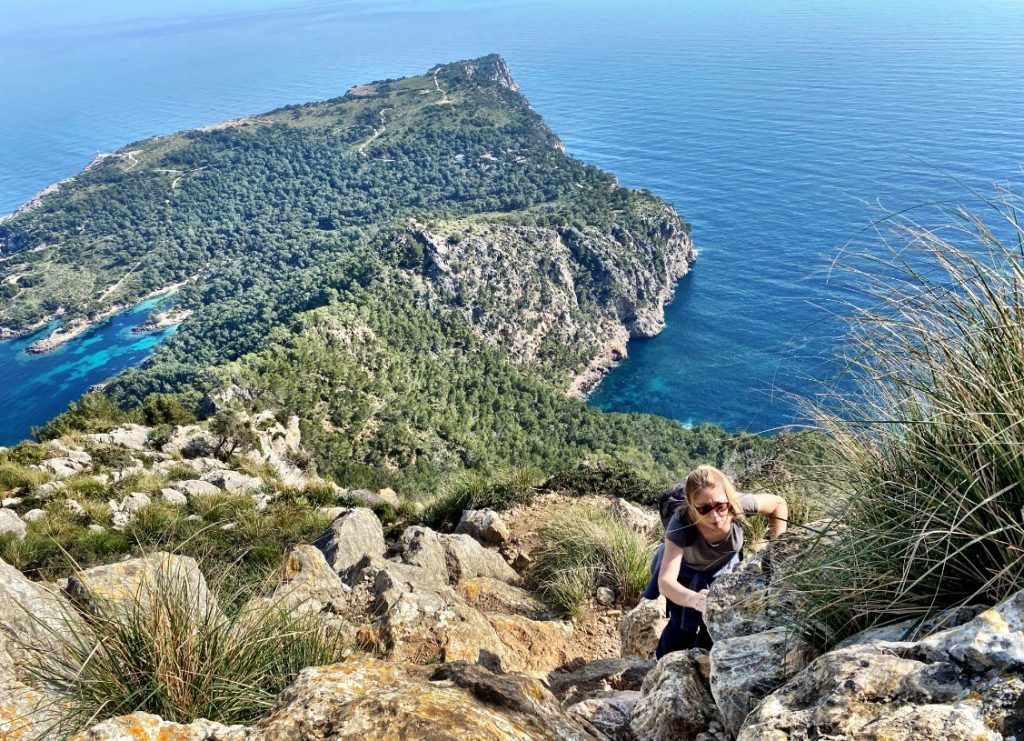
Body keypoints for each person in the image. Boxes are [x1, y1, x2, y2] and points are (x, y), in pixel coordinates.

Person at [647, 464, 788, 657]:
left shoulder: (737, 505)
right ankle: (663, 665)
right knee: (681, 626)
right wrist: (692, 599)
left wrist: (777, 549)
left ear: (728, 499)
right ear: (690, 504)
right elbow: (666, 583)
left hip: (725, 569)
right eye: (704, 509)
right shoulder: (680, 524)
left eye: (720, 506)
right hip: (686, 573)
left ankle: (706, 662)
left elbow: (778, 504)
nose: (714, 515)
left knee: (714, 626)